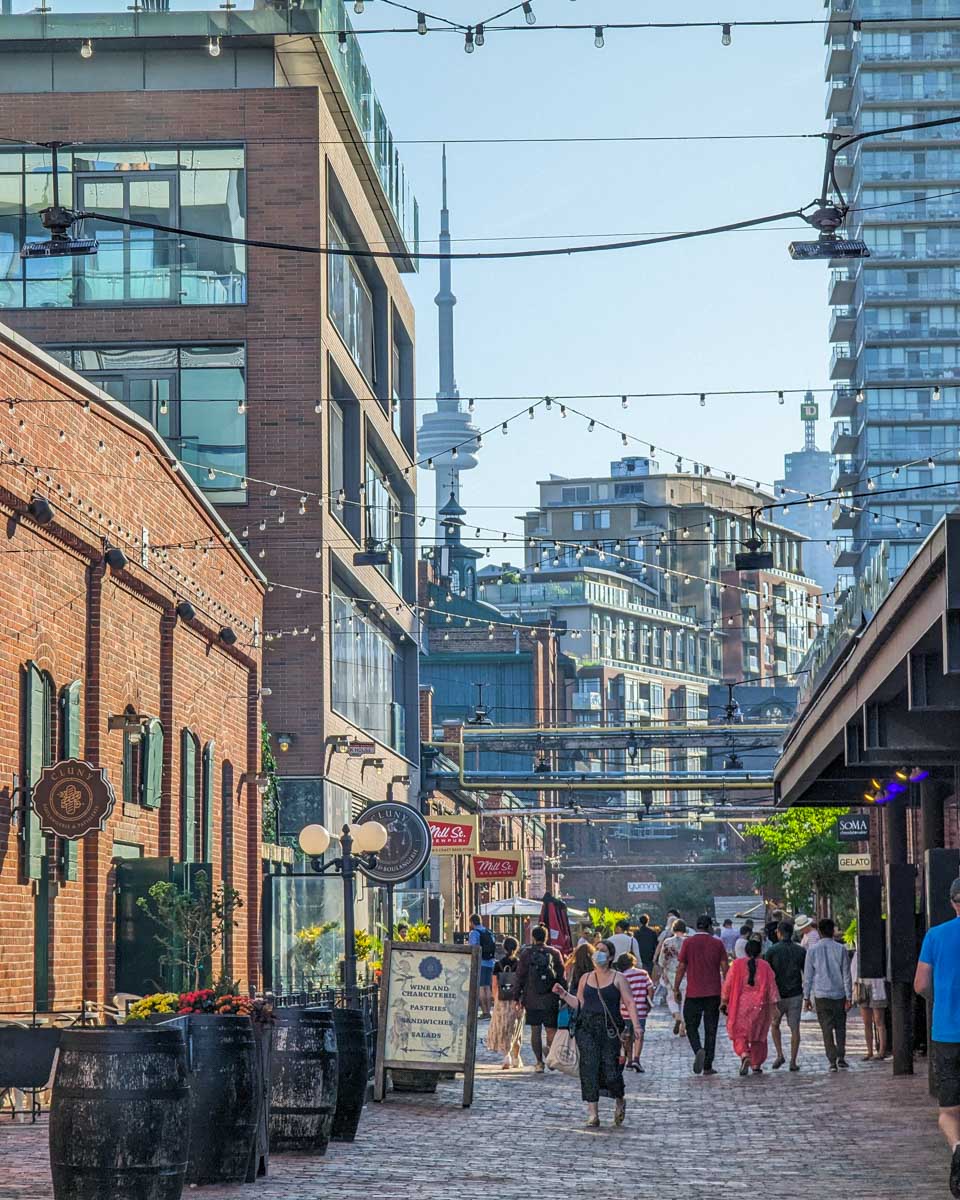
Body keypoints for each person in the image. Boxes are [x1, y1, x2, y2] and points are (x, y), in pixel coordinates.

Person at [553, 939, 642, 1128]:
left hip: (610, 1029)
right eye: (597, 950)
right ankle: (593, 1113)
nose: (598, 954)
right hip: (587, 1028)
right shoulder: (586, 978)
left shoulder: (618, 978)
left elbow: (630, 1002)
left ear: (610, 957)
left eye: (602, 951)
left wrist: (637, 1026)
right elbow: (579, 1004)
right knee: (589, 1067)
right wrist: (562, 994)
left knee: (611, 1070)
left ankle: (619, 1099)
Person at [914, 876, 960, 1198]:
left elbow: (919, 985)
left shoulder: (935, 936)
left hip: (946, 1032)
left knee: (948, 1111)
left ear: (953, 901)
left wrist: (941, 997)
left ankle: (958, 1147)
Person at [674, 913, 729, 1075]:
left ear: (697, 926)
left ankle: (698, 1048)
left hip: (693, 992)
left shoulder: (688, 942)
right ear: (710, 927)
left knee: (691, 1025)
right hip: (713, 991)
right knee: (711, 1029)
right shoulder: (717, 943)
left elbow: (681, 967)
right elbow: (725, 968)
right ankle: (707, 1065)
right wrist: (727, 989)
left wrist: (676, 988)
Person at [721, 938, 780, 1075]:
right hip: (760, 1006)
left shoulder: (736, 965)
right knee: (758, 1036)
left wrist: (724, 1001)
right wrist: (774, 1006)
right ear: (760, 952)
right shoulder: (765, 966)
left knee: (739, 1033)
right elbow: (772, 987)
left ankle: (744, 1054)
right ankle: (756, 1064)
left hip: (740, 1005)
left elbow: (728, 985)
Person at [802, 917, 852, 1071]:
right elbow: (846, 974)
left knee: (826, 1028)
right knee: (840, 1027)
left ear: (820, 931)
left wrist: (806, 997)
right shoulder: (841, 949)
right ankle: (841, 1057)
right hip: (839, 994)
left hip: (821, 994)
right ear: (832, 931)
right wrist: (849, 996)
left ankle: (832, 1061)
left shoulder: (812, 950)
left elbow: (808, 976)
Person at [514, 924, 565, 1073]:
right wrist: (564, 995)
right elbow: (561, 976)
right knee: (551, 1030)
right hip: (550, 997)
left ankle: (539, 1063)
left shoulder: (526, 953)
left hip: (532, 998)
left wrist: (517, 997)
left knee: (535, 1031)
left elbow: (520, 976)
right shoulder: (555, 953)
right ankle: (551, 1057)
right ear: (546, 937)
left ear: (533, 937)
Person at [765, 920, 806, 1071]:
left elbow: (767, 974)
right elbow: (805, 972)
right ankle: (793, 1061)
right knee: (795, 1028)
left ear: (779, 932)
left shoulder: (771, 951)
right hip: (796, 992)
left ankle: (780, 1054)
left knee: (775, 1024)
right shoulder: (800, 950)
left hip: (777, 994)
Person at [487, 935, 524, 1069]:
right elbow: (523, 982)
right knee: (517, 1028)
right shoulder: (520, 964)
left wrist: (496, 998)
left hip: (502, 1000)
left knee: (504, 1027)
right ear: (516, 948)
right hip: (517, 1000)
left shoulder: (498, 964)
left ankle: (506, 1055)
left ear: (504, 948)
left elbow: (495, 984)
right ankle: (516, 1057)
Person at [615, 952, 653, 1071]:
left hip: (624, 1011)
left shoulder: (621, 976)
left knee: (627, 1036)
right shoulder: (643, 973)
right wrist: (649, 1001)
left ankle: (629, 1059)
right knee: (639, 1035)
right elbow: (650, 988)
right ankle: (637, 1059)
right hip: (640, 1010)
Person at [852, 947, 888, 1062]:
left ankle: (881, 1051)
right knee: (867, 1021)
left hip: (876, 984)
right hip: (863, 984)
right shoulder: (859, 951)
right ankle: (869, 1051)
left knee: (878, 1020)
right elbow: (853, 969)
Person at [655, 918, 689, 1035]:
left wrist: (662, 970)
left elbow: (662, 959)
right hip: (686, 973)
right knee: (685, 1000)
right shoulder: (689, 942)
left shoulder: (668, 941)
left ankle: (676, 1014)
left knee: (671, 997)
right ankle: (683, 1027)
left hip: (670, 973)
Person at [468, 913, 497, 1018]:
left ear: (471, 922)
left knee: (480, 987)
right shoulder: (488, 932)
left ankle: (484, 1012)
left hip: (480, 962)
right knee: (487, 987)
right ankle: (489, 1011)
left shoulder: (474, 933)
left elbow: (473, 948)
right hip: (490, 962)